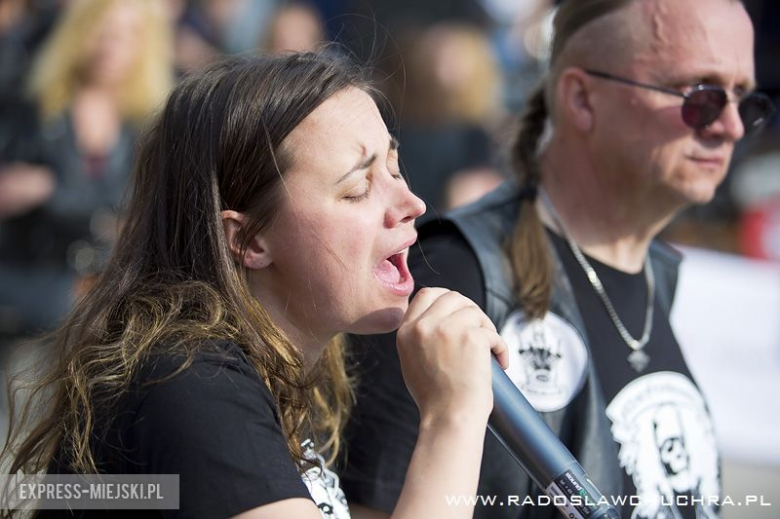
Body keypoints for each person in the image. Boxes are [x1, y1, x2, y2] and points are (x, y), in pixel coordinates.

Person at [1, 52, 508, 519]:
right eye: (357, 189)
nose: (413, 204)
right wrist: (452, 418)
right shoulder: (188, 382)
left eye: (396, 170)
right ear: (248, 238)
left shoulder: (252, 374)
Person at [341, 1, 776, 518]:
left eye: (746, 102)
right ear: (582, 98)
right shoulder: (459, 275)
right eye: (701, 98)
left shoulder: (658, 275)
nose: (730, 126)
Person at [0, 0, 173, 345]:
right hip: (28, 296)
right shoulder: (32, 107)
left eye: (127, 34)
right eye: (103, 30)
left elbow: (141, 219)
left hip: (106, 309)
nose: (111, 43)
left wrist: (51, 192)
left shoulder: (149, 126)